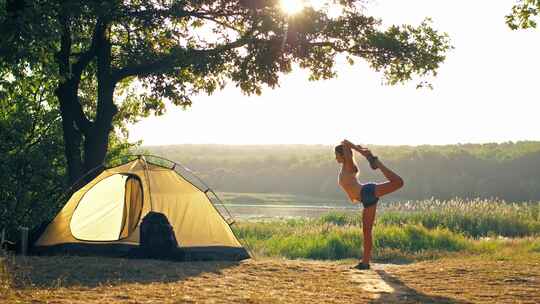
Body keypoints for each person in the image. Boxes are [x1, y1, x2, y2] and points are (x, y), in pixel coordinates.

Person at [335, 139, 404, 270]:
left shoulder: (349, 165)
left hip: (367, 192)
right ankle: (365, 263)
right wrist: (361, 151)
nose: (335, 157)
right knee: (367, 231)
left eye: (336, 155)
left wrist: (356, 149)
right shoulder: (345, 167)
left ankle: (378, 163)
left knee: (398, 182)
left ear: (343, 155)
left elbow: (346, 148)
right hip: (365, 199)